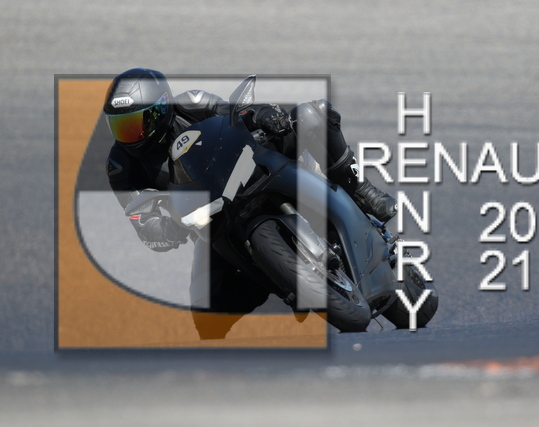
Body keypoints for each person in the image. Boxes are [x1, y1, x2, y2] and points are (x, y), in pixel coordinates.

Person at [103, 68, 397, 339]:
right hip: (212, 218)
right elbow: (143, 222)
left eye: (136, 123)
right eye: (120, 126)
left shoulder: (191, 103)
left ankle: (363, 191)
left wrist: (265, 115)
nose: (130, 136)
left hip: (254, 164)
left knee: (311, 114)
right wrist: (169, 229)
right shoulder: (120, 167)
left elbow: (237, 115)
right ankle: (278, 276)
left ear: (162, 108)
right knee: (208, 317)